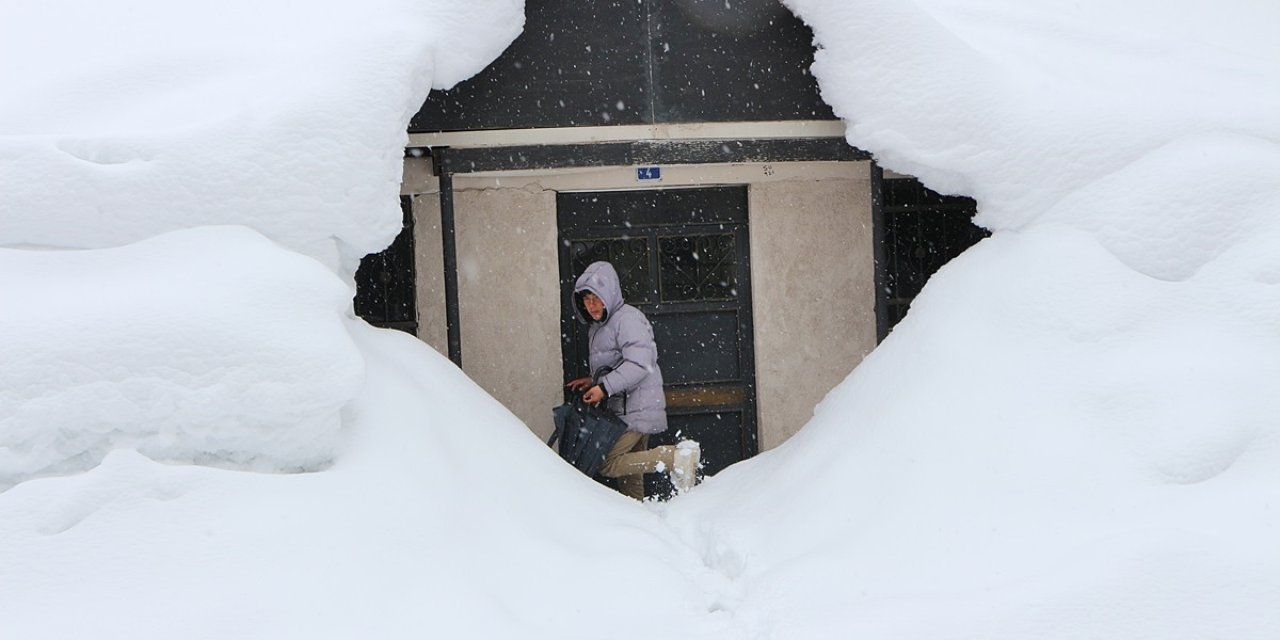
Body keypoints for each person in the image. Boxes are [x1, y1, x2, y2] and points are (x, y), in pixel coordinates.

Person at [567, 261, 699, 498]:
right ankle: (639, 522)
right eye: (586, 299)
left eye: (596, 297)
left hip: (636, 406)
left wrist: (604, 388)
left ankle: (676, 457)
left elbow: (640, 363)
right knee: (630, 478)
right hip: (625, 406)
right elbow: (619, 361)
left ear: (609, 293)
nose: (591, 305)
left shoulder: (627, 319)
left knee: (606, 462)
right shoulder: (599, 326)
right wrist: (593, 380)